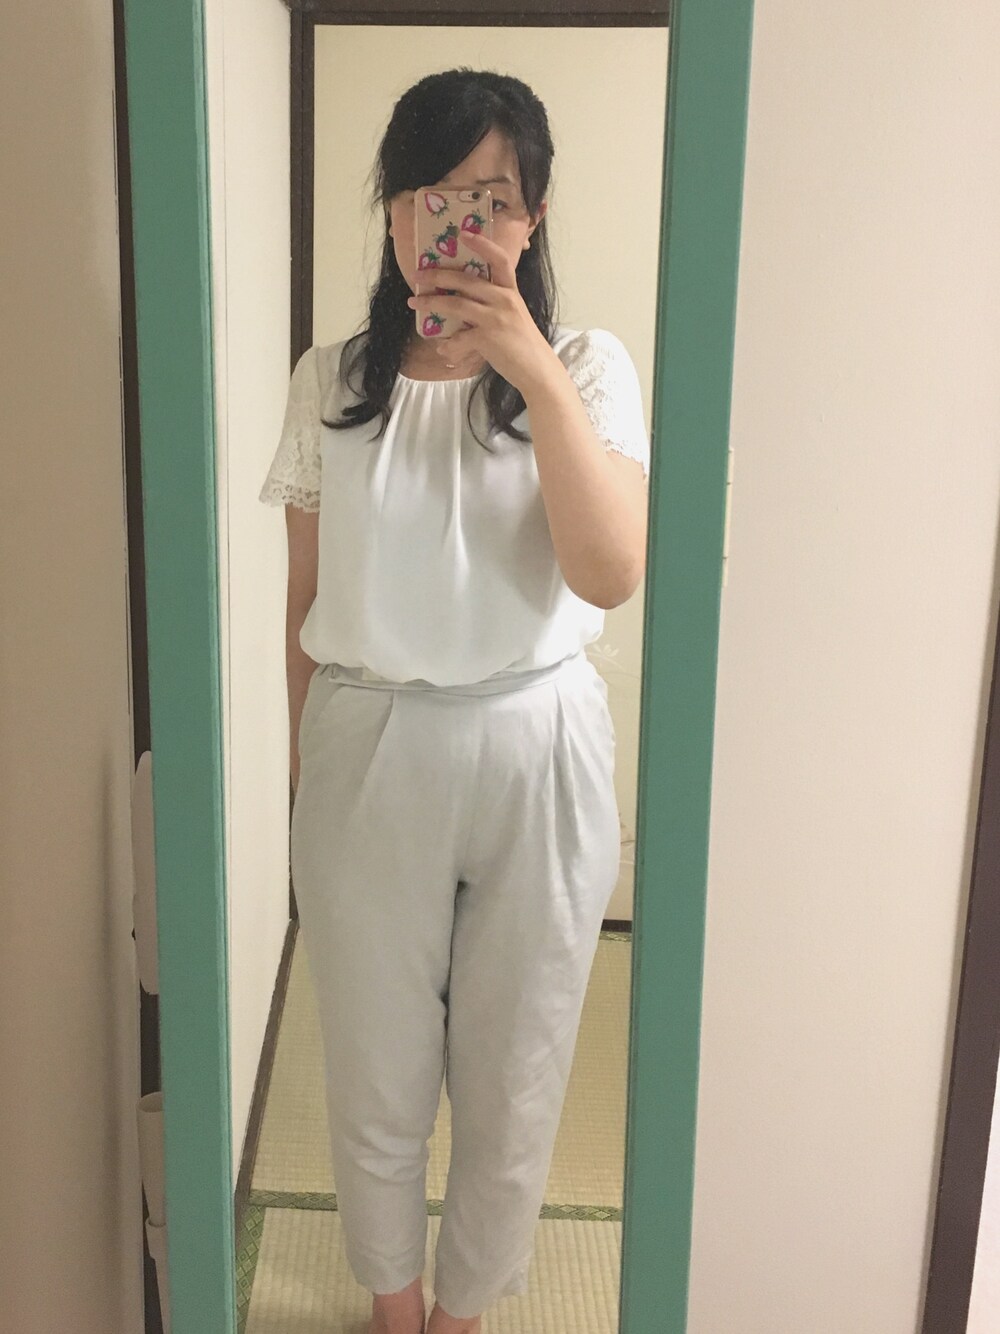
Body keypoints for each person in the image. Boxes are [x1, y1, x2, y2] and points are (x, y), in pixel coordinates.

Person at [259, 67, 650, 1334]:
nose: (455, 221)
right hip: (367, 741)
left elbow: (609, 571)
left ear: (533, 217)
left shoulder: (585, 369)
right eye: (430, 192)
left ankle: (465, 1311)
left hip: (540, 742)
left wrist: (528, 366)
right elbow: (304, 600)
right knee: (372, 1066)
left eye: (489, 197)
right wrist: (311, 777)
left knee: (517, 1072)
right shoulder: (332, 380)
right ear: (390, 209)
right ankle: (394, 1305)